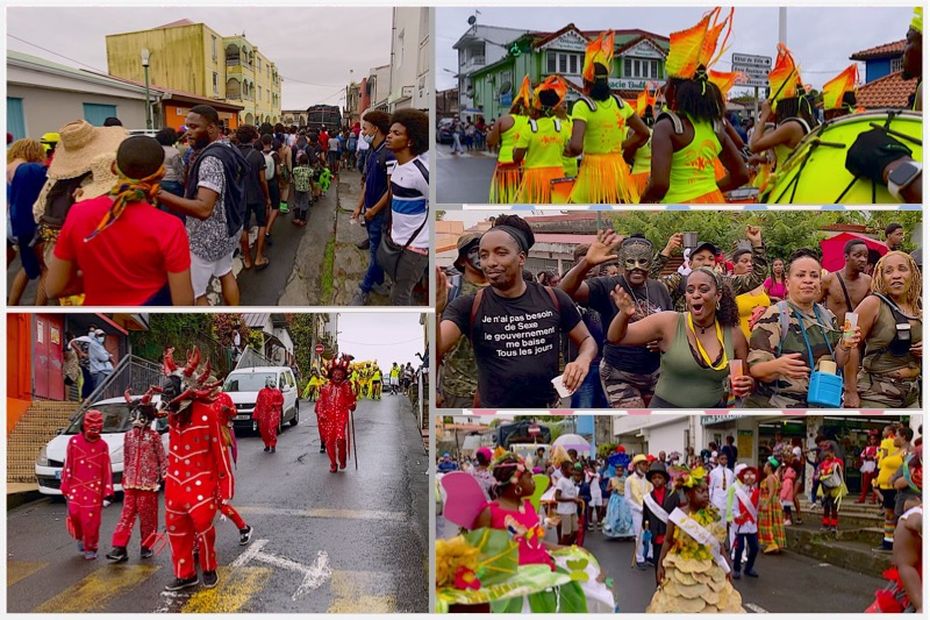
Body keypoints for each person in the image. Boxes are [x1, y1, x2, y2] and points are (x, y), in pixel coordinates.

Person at [437, 215, 596, 408]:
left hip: (547, 407)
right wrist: (436, 310)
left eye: (501, 253)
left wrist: (582, 360)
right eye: (484, 255)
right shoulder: (467, 306)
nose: (490, 262)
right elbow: (438, 347)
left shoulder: (554, 298)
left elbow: (587, 341)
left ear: (521, 258)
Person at [46, 135, 193, 306]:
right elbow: (183, 301)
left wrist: (101, 279)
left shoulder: (78, 213)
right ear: (161, 173)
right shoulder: (170, 227)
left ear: (114, 168)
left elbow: (53, 288)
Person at [642, 9, 749, 204]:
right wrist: (708, 191)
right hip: (714, 202)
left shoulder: (666, 126)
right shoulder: (716, 127)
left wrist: (641, 205)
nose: (664, 89)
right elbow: (741, 175)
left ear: (674, 91)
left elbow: (659, 185)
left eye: (667, 84)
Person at [607, 267, 754, 408]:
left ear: (718, 295)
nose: (695, 295)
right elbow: (616, 337)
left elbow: (748, 378)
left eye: (703, 289)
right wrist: (624, 315)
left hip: (712, 413)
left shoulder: (734, 334)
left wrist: (749, 383)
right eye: (690, 290)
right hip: (667, 412)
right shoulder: (669, 323)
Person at [560, 233, 673, 407]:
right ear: (621, 262)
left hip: (655, 372)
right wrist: (587, 263)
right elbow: (564, 292)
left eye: (642, 261)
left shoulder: (659, 289)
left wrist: (662, 342)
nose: (636, 267)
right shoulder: (607, 285)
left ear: (650, 263)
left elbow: (670, 328)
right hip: (620, 372)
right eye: (630, 261)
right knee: (635, 416)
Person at [157, 105, 247, 306]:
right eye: (187, 126)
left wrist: (158, 193)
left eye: (194, 127)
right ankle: (235, 318)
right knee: (226, 273)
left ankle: (210, 327)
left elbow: (204, 208)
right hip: (229, 228)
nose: (188, 132)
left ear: (212, 128)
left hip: (206, 238)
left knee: (196, 294)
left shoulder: (211, 160)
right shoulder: (229, 147)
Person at [746, 249, 861, 408]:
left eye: (814, 276)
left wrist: (845, 346)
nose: (808, 280)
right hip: (779, 405)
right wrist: (777, 365)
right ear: (787, 283)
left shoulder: (827, 317)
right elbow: (756, 369)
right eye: (800, 275)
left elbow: (838, 361)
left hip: (820, 402)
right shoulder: (775, 315)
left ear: (820, 284)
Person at [646, 464, 744, 613]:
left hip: (709, 567)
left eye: (707, 491)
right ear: (688, 494)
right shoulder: (676, 516)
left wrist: (726, 567)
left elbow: (718, 544)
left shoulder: (712, 515)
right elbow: (667, 541)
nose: (706, 495)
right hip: (681, 567)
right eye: (700, 491)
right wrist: (660, 565)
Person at [567, 31, 649, 204]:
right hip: (618, 169)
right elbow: (643, 133)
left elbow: (575, 146)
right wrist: (621, 146)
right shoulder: (621, 104)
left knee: (576, 205)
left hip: (593, 172)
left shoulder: (583, 106)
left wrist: (566, 151)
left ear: (585, 82)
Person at [847, 251, 922, 409]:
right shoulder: (872, 303)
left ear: (913, 273)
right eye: (889, 271)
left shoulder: (920, 306)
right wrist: (850, 391)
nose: (896, 275)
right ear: (881, 277)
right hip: (877, 393)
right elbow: (848, 345)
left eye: (902, 269)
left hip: (912, 393)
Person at [106, 398, 166, 563]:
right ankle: (119, 547)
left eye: (141, 417)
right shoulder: (128, 436)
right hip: (131, 483)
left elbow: (162, 458)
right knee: (126, 516)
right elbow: (127, 457)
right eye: (135, 416)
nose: (137, 420)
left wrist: (165, 477)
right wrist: (126, 476)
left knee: (148, 518)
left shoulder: (154, 437)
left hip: (148, 484)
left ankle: (146, 546)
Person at [653, 226, 768, 313]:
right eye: (700, 258)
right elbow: (649, 283)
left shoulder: (723, 283)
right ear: (690, 263)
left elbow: (756, 278)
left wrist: (757, 244)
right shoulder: (678, 281)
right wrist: (666, 252)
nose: (707, 262)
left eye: (711, 258)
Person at [382, 109, 430, 305]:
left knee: (400, 296)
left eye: (397, 133)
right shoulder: (397, 166)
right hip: (397, 242)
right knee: (396, 286)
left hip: (416, 248)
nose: (389, 136)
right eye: (390, 131)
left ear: (410, 141)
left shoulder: (421, 173)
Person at [749, 44, 817, 175]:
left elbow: (754, 145)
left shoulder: (791, 127)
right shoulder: (801, 122)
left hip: (788, 185)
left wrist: (763, 117)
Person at [350, 112, 394, 303]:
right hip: (369, 211)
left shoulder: (389, 154)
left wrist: (374, 210)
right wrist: (359, 206)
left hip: (380, 214)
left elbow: (391, 189)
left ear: (375, 129)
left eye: (365, 128)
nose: (362, 131)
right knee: (375, 251)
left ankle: (364, 289)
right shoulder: (372, 151)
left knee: (376, 254)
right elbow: (368, 182)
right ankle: (378, 281)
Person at [438, 233, 486, 408]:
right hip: (460, 387)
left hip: (497, 387)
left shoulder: (502, 289)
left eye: (484, 250)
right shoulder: (451, 289)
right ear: (463, 260)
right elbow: (436, 345)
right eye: (475, 250)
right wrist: (435, 390)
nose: (481, 255)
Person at [60, 409, 113, 560]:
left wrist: (107, 492)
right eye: (91, 423)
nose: (94, 428)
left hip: (94, 489)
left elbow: (106, 469)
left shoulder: (103, 445)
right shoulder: (74, 442)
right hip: (76, 487)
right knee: (75, 514)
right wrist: (65, 485)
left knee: (91, 521)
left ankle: (91, 546)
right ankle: (80, 537)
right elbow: (68, 464)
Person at [512, 76, 571, 204]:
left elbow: (517, 157)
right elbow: (571, 150)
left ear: (537, 108)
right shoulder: (561, 127)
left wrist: (514, 150)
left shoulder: (530, 129)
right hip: (557, 176)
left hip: (533, 179)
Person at [7, 138, 48, 306]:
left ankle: (12, 304)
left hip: (12, 222)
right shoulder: (29, 170)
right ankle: (40, 308)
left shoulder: (9, 167)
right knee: (46, 268)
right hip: (26, 222)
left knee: (25, 266)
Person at [235, 126, 271, 270]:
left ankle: (247, 259)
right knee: (262, 223)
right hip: (257, 195)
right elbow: (263, 180)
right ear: (253, 138)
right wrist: (267, 197)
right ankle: (259, 257)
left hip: (240, 196)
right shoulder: (257, 155)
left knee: (244, 227)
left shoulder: (234, 154)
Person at [315, 355, 357, 473]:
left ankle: (342, 460)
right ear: (331, 375)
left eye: (340, 375)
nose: (337, 377)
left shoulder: (346, 387)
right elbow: (321, 403)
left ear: (343, 376)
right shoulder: (326, 388)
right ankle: (333, 463)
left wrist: (352, 405)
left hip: (341, 417)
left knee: (340, 439)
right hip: (328, 418)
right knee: (329, 441)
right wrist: (321, 413)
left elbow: (351, 401)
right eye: (335, 374)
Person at [642, 460, 676, 583]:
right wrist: (647, 532)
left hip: (672, 540)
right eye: (654, 477)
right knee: (659, 567)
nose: (657, 480)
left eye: (660, 477)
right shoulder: (647, 499)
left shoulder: (673, 496)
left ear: (665, 480)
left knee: (672, 570)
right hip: (657, 540)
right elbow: (645, 519)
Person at [822, 239, 872, 321]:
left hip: (856, 332)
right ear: (846, 257)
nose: (863, 259)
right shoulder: (829, 280)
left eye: (865, 256)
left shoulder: (868, 281)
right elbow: (812, 306)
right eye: (857, 255)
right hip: (833, 331)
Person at [877, 426, 909, 550]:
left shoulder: (906, 452)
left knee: (894, 515)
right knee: (888, 515)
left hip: (895, 489)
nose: (894, 438)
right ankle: (887, 540)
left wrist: (896, 478)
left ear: (904, 437)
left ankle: (894, 542)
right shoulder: (896, 451)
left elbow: (907, 469)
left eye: (896, 435)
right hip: (886, 487)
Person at [727, 463, 760, 580]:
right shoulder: (737, 491)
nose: (750, 477)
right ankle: (736, 569)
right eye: (747, 475)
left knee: (755, 547)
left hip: (751, 524)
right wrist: (737, 516)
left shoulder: (757, 492)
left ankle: (748, 568)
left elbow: (757, 508)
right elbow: (733, 507)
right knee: (739, 547)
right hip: (740, 523)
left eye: (752, 475)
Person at [732, 248, 771, 340]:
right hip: (740, 340)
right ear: (734, 264)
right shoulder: (730, 286)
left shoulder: (759, 284)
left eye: (751, 262)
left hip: (764, 340)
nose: (749, 265)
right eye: (744, 261)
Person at [625, 454, 653, 569]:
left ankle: (650, 556)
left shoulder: (649, 480)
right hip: (637, 511)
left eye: (646, 464)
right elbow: (627, 498)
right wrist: (639, 508)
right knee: (639, 535)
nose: (646, 466)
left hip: (650, 510)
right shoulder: (629, 480)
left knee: (650, 534)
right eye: (643, 464)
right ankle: (640, 558)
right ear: (637, 465)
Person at [816, 441, 847, 534]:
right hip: (825, 486)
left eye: (829, 452)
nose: (827, 454)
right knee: (826, 506)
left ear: (833, 452)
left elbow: (840, 471)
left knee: (834, 506)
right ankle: (825, 524)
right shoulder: (823, 463)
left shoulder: (838, 462)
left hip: (835, 486)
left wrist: (835, 467)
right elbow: (819, 472)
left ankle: (834, 525)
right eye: (826, 452)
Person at [757, 457, 785, 553]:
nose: (763, 467)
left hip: (769, 503)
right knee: (774, 523)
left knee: (767, 523)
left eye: (765, 465)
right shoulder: (775, 477)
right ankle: (775, 543)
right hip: (774, 502)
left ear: (769, 467)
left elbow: (771, 492)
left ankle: (771, 543)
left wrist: (766, 503)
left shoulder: (769, 478)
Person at [555, 460, 583, 545]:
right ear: (564, 470)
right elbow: (557, 497)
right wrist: (572, 499)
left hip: (572, 510)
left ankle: (568, 547)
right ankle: (560, 549)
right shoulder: (561, 481)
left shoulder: (570, 480)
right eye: (571, 469)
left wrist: (577, 498)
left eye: (573, 469)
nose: (573, 471)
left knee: (575, 531)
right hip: (565, 511)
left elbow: (570, 493)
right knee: (566, 533)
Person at [253, 377, 284, 453]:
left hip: (273, 414)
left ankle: (273, 445)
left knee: (271, 429)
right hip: (263, 415)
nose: (272, 384)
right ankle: (267, 445)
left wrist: (275, 405)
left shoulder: (277, 392)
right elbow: (258, 403)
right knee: (264, 430)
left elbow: (281, 401)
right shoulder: (262, 392)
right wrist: (255, 415)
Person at [155, 128, 185, 199]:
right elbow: (178, 169)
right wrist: (183, 182)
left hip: (158, 181)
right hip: (172, 182)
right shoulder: (175, 152)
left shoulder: (156, 150)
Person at [858, 431, 881, 503]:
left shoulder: (878, 448)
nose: (872, 441)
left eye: (874, 439)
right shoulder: (866, 448)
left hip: (874, 466)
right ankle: (862, 498)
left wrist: (873, 457)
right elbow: (862, 455)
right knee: (865, 484)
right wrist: (866, 457)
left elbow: (879, 456)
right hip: (867, 466)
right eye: (871, 439)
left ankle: (874, 499)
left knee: (874, 484)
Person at [780, 459, 797, 525]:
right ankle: (786, 519)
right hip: (787, 498)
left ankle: (788, 519)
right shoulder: (789, 480)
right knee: (787, 509)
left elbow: (786, 490)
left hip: (786, 498)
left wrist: (782, 496)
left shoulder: (787, 481)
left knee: (787, 510)